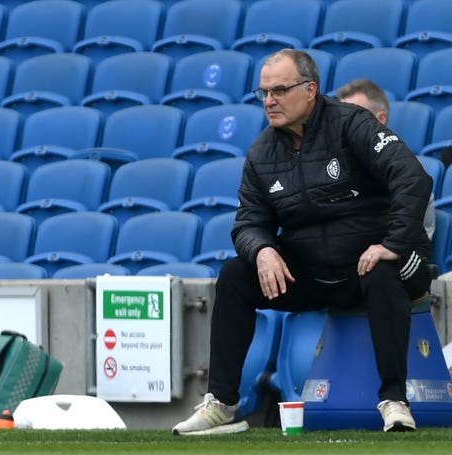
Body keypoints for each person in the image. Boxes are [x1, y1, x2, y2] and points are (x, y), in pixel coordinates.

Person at [172, 49, 433, 435]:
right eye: (263, 93)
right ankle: (222, 404)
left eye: (279, 90)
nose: (269, 101)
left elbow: (413, 176)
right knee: (233, 276)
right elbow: (248, 222)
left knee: (383, 270)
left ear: (310, 90)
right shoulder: (262, 152)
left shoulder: (351, 124)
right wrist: (262, 250)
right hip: (315, 275)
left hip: (374, 263)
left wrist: (392, 243)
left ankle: (395, 401)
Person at [336, 78, 436, 241]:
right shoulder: (333, 166)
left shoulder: (408, 170)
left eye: (354, 118)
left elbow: (412, 240)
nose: (344, 125)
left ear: (381, 119)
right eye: (342, 117)